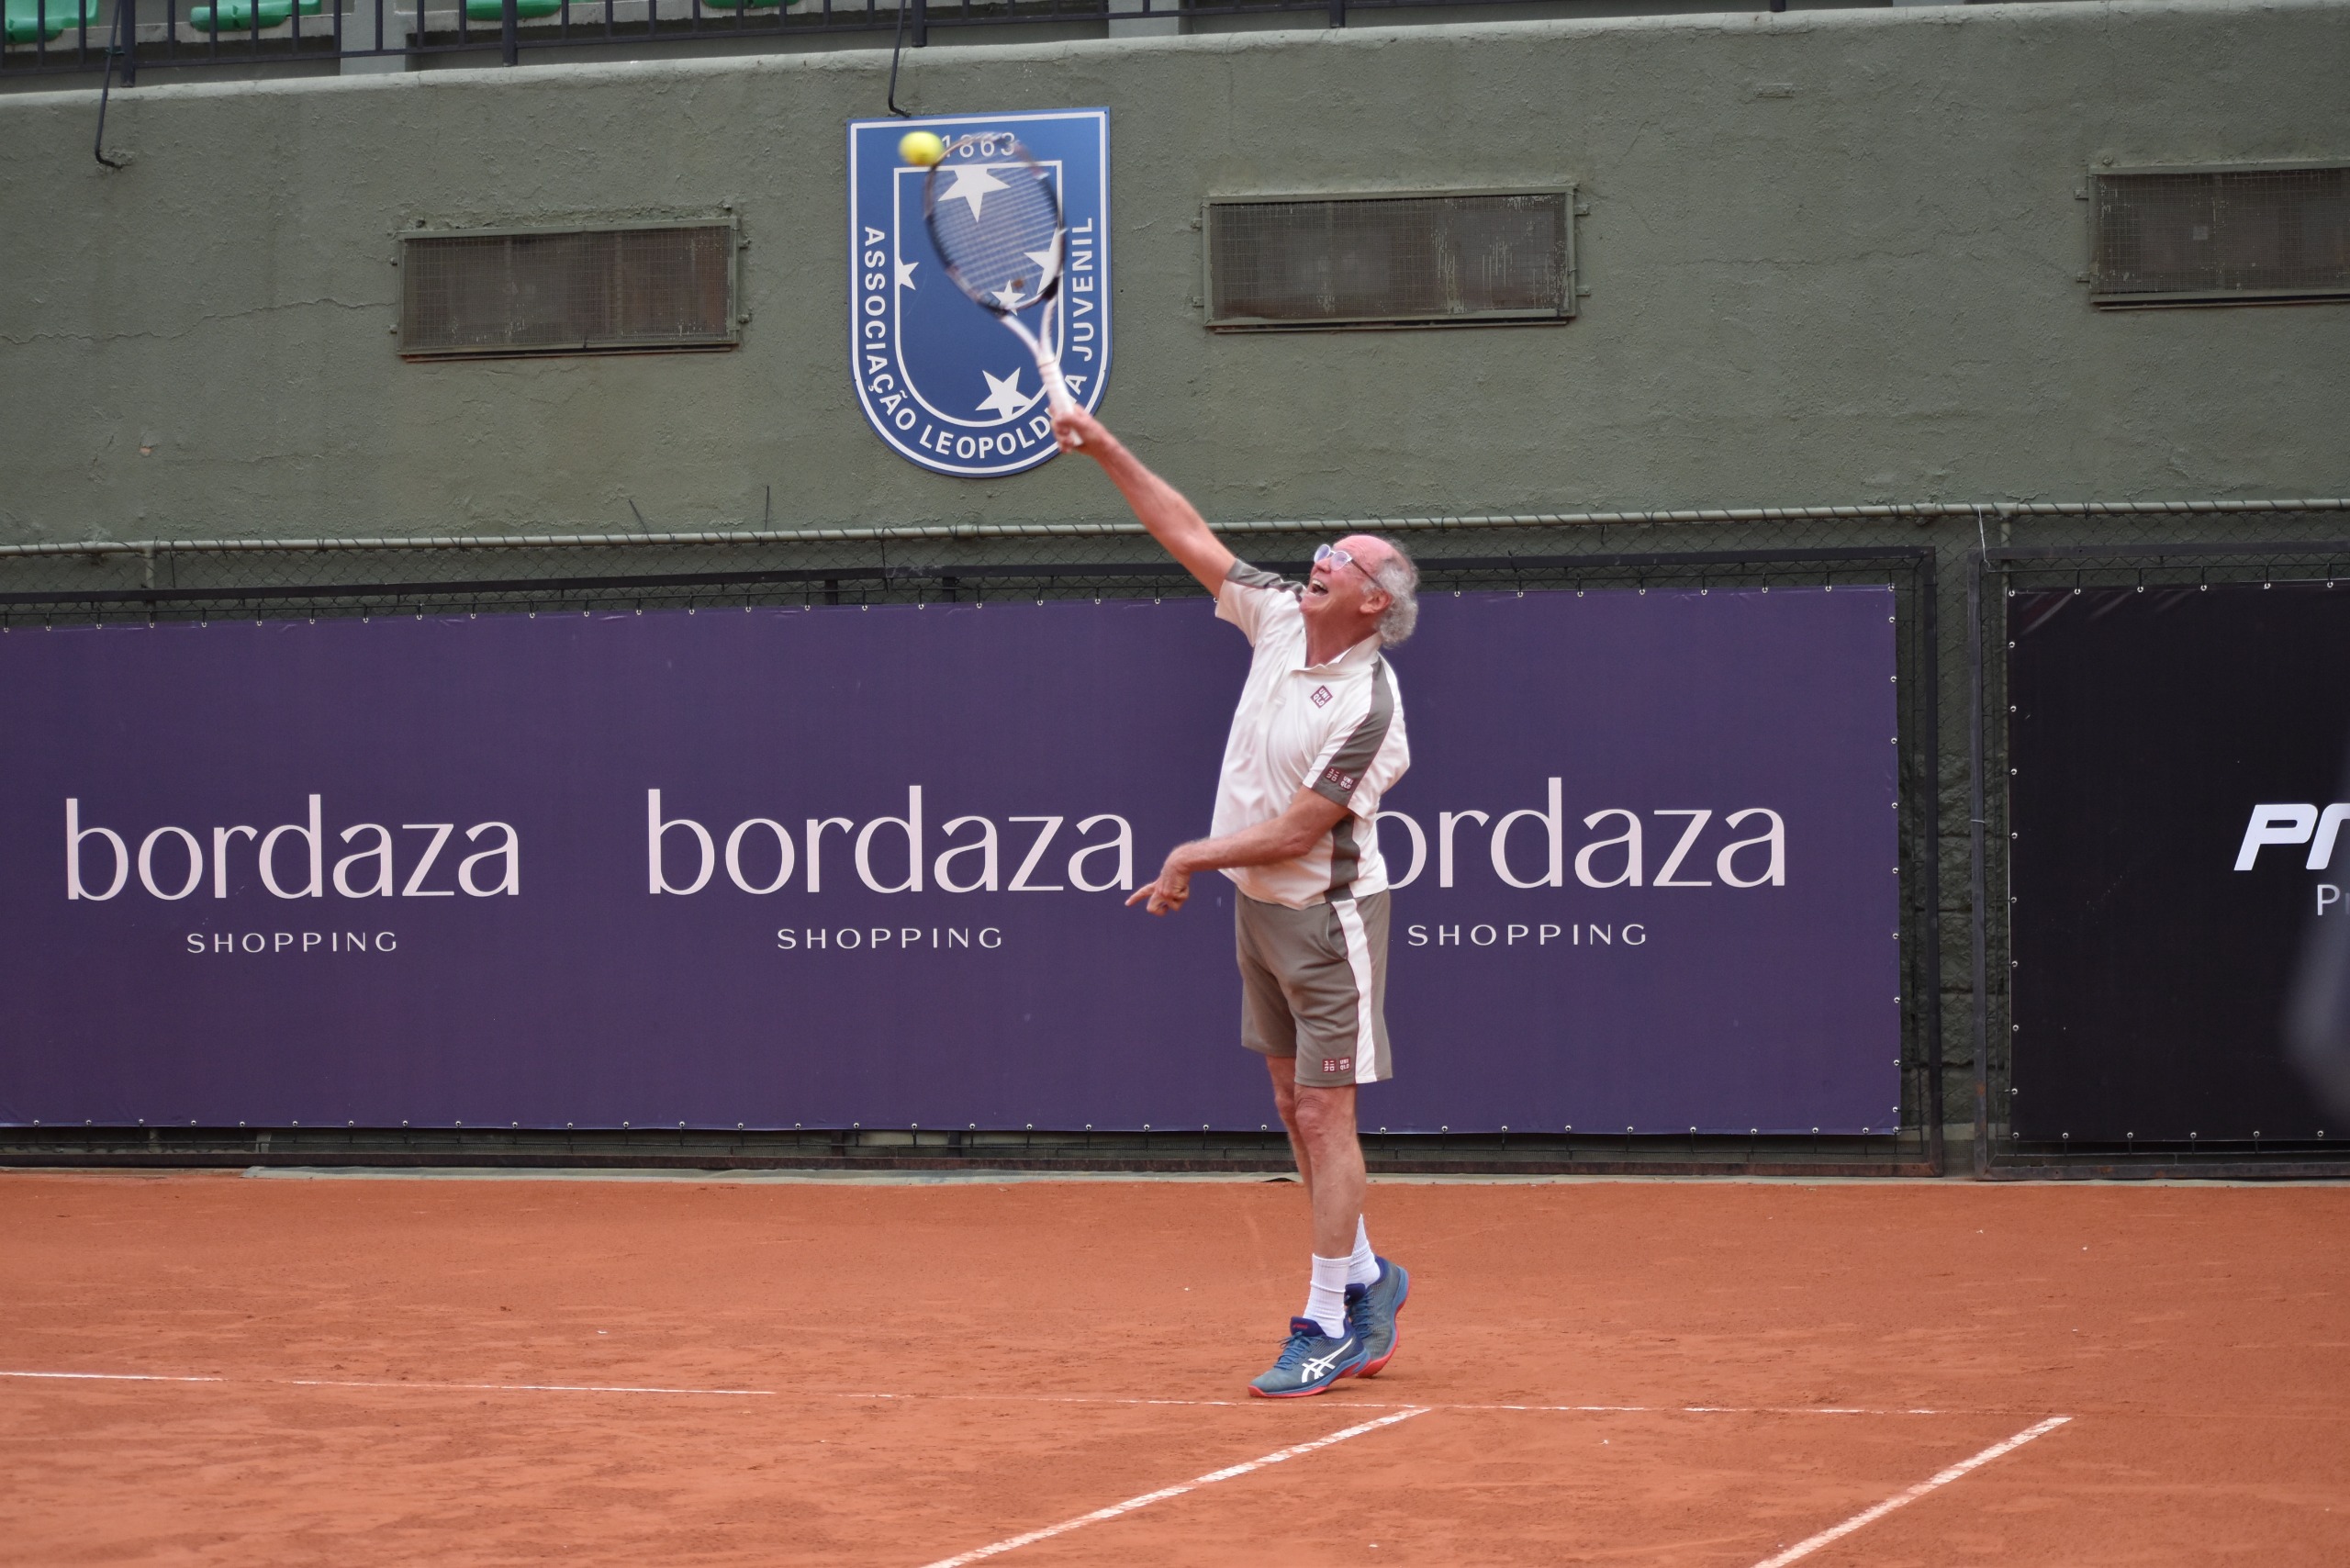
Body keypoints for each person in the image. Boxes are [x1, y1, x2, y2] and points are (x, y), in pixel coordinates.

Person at [1053, 401, 1417, 1398]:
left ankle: (1325, 1318)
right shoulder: (1272, 615)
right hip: (1260, 911)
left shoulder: (1370, 708)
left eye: (1343, 557)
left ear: (1374, 602)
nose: (1321, 559)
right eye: (1324, 549)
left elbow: (1302, 831)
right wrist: (1105, 445)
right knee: (1290, 1110)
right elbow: (1184, 529)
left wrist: (1188, 854)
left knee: (1322, 1110)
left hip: (1326, 917)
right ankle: (1368, 1277)